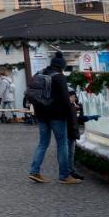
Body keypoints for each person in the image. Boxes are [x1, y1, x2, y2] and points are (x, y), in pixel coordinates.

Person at [27, 52, 78, 184]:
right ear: (62, 66)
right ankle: (64, 175)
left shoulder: (40, 73)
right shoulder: (59, 77)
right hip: (57, 116)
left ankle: (34, 171)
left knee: (43, 143)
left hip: (42, 116)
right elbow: (65, 99)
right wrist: (71, 113)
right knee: (62, 144)